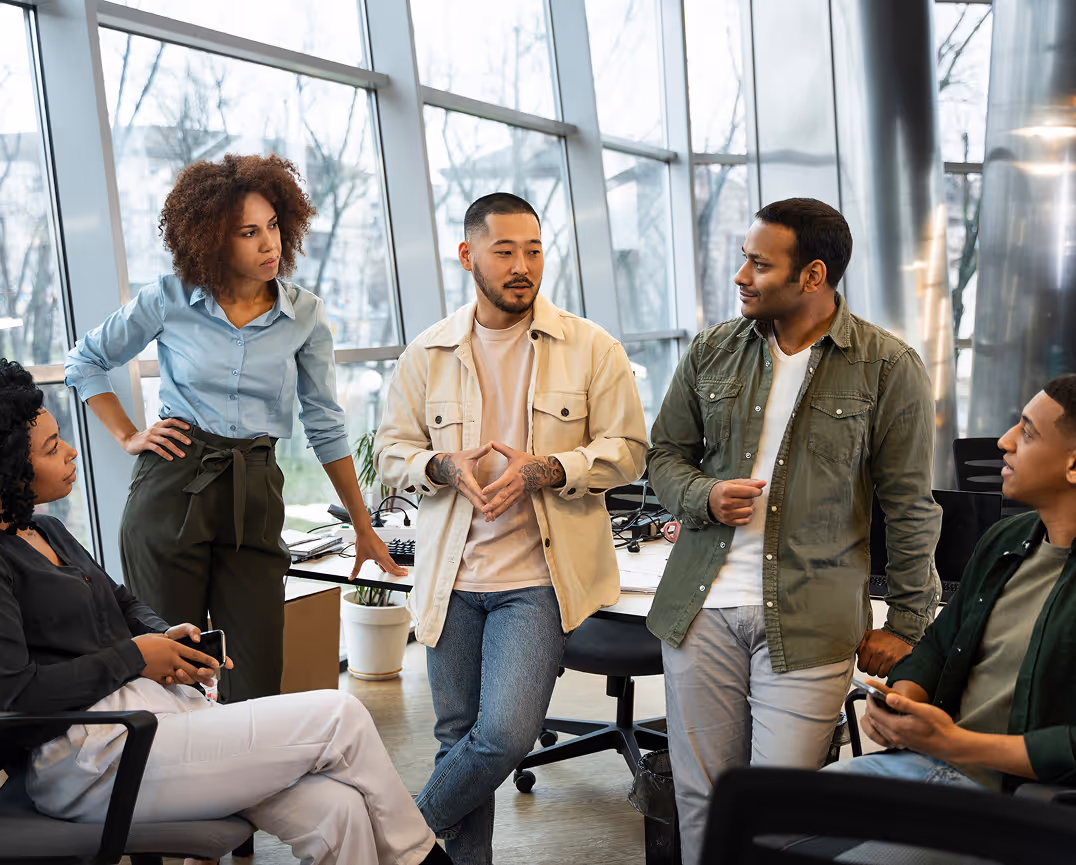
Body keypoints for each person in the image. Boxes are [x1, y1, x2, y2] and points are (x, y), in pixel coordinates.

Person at [0, 358, 450, 865]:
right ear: (10, 465)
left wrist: (164, 635)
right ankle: (425, 859)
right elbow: (15, 694)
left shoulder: (48, 531)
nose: (71, 451)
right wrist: (134, 657)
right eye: (51, 447)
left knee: (338, 810)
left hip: (151, 718)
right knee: (340, 713)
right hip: (90, 758)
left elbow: (122, 603)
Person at [646, 197, 943, 865]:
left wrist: (908, 623)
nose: (741, 276)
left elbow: (910, 506)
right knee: (704, 802)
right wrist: (704, 494)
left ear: (812, 275)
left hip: (812, 617)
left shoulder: (887, 367)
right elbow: (662, 454)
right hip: (701, 607)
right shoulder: (714, 349)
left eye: (758, 263)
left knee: (780, 815)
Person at [64, 154, 403, 704]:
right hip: (173, 485)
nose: (269, 244)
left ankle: (252, 786)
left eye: (273, 226)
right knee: (171, 667)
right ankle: (174, 788)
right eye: (249, 232)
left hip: (255, 487)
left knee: (258, 672)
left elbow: (325, 423)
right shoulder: (169, 298)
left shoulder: (305, 316)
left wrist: (364, 525)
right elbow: (85, 361)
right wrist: (130, 435)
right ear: (213, 238)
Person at [374, 192, 648, 864]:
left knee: (503, 734)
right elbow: (388, 455)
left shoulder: (591, 348)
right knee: (456, 735)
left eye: (533, 249)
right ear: (468, 256)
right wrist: (437, 464)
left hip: (536, 580)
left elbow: (631, 449)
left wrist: (551, 468)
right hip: (450, 580)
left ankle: (391, 840)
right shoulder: (428, 353)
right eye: (505, 250)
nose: (523, 265)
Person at [811, 374, 1076, 863]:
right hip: (933, 763)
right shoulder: (1007, 540)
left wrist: (956, 741)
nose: (1004, 442)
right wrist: (904, 700)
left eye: (1028, 432)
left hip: (1018, 801)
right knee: (757, 819)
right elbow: (938, 644)